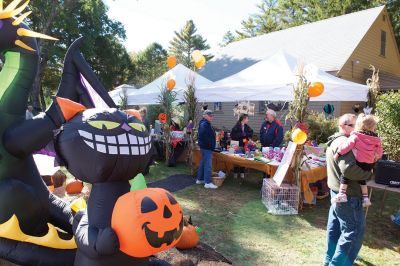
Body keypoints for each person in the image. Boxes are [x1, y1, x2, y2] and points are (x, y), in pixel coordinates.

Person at [325, 113, 374, 266]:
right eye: (353, 125)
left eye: (357, 125)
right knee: (353, 233)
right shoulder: (345, 142)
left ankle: (329, 261)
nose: (358, 129)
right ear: (343, 126)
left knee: (335, 230)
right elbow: (349, 170)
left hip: (338, 193)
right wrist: (370, 173)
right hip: (349, 196)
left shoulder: (334, 139)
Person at [332, 114, 383, 207]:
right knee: (362, 180)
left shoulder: (356, 136)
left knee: (345, 177)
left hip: (359, 161)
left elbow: (346, 146)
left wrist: (338, 153)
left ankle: (342, 194)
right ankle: (366, 198)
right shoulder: (376, 139)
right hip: (369, 163)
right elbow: (379, 151)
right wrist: (376, 157)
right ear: (373, 127)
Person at [196, 110, 218, 189]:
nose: (212, 117)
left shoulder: (205, 123)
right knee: (208, 165)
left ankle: (200, 179)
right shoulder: (204, 124)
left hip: (205, 147)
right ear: (205, 115)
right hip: (206, 147)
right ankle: (207, 182)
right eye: (210, 115)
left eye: (212, 115)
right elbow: (203, 136)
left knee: (203, 163)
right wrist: (210, 145)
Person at [230, 114, 253, 179]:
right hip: (235, 145)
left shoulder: (247, 127)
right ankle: (235, 172)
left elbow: (251, 133)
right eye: (247, 119)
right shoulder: (236, 126)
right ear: (243, 119)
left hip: (244, 145)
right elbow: (233, 135)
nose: (248, 120)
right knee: (236, 159)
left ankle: (242, 172)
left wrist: (245, 134)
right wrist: (242, 134)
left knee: (243, 159)